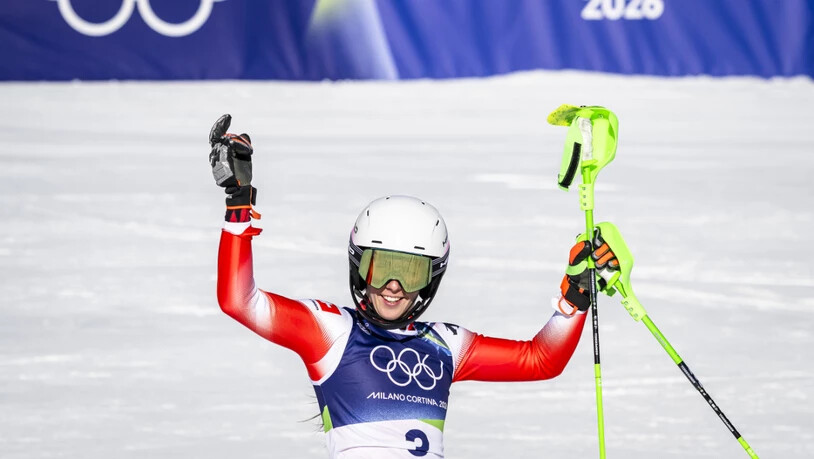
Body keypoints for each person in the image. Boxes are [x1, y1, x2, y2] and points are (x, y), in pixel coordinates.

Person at [209, 114, 619, 458]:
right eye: (381, 268)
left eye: (411, 272)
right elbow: (238, 300)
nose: (393, 286)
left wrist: (576, 296)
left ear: (432, 278)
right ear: (359, 267)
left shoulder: (446, 345)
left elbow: (540, 360)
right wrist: (238, 204)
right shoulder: (330, 332)